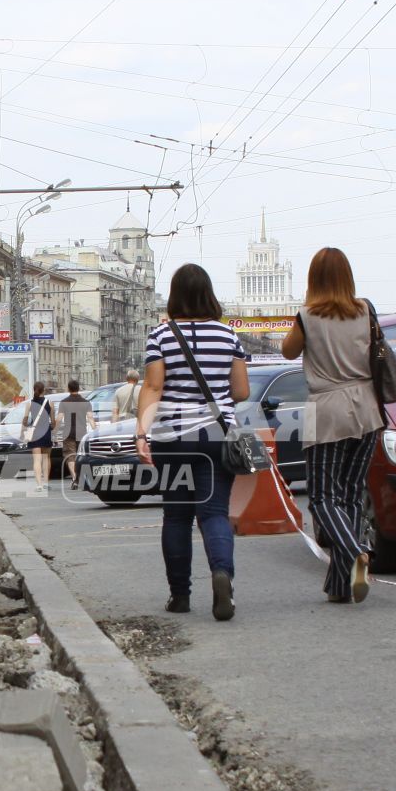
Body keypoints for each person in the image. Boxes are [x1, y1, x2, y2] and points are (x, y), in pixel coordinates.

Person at [137, 264, 250, 620]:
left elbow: (154, 387)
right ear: (208, 293)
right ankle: (222, 575)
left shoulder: (161, 336)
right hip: (216, 437)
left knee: (177, 516)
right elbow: (241, 390)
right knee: (214, 513)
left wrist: (142, 432)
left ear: (175, 295)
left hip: (173, 439)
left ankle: (180, 597)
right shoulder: (229, 336)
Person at [281, 248, 386, 604]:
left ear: (314, 279)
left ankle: (358, 549)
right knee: (352, 493)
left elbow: (287, 352)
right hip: (368, 409)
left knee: (324, 497)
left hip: (325, 409)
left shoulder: (307, 316)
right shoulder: (366, 311)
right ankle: (341, 585)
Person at [57, 380, 93, 485]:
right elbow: (90, 418)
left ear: (68, 388)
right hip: (82, 432)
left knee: (70, 455)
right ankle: (80, 477)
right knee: (81, 455)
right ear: (78, 388)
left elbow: (59, 418)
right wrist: (95, 430)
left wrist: (54, 429)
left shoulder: (64, 402)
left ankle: (74, 478)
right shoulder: (86, 402)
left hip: (68, 433)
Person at [22, 380, 54, 482]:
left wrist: (25, 428)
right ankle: (46, 483)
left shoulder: (29, 404)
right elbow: (53, 422)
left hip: (34, 432)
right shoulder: (49, 402)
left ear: (34, 390)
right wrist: (51, 428)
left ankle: (39, 484)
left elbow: (25, 421)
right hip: (46, 432)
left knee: (36, 459)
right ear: (43, 390)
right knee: (46, 458)